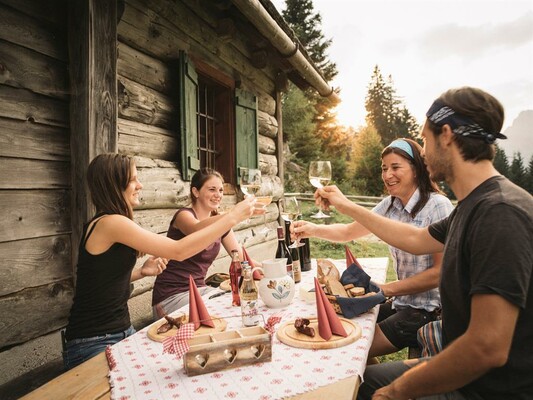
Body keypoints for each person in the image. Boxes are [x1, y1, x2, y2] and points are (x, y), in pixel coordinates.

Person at [313, 87, 533, 399]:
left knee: (370, 389)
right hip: (467, 372)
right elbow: (416, 239)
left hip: (487, 388)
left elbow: (487, 347)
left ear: (446, 135)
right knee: (363, 379)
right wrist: (347, 206)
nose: (424, 151)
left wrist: (397, 391)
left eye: (424, 139)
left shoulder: (500, 213)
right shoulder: (471, 205)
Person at [63, 154, 255, 370]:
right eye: (133, 179)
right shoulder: (110, 222)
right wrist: (233, 217)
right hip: (93, 341)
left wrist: (142, 273)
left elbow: (101, 279)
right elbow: (178, 251)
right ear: (114, 183)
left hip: (122, 332)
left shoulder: (112, 222)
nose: (140, 185)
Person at [293, 138, 454, 359]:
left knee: (351, 350)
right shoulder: (390, 204)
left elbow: (440, 273)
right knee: (345, 326)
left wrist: (386, 289)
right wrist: (312, 229)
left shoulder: (437, 205)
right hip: (401, 303)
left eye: (396, 167)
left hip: (427, 311)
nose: (388, 175)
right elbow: (349, 232)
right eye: (384, 168)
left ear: (416, 169)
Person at [152, 168, 259, 318]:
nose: (218, 195)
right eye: (212, 189)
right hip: (171, 297)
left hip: (199, 291)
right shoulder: (184, 216)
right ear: (196, 192)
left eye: (221, 190)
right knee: (225, 308)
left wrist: (267, 268)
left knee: (242, 300)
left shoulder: (222, 222)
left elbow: (242, 259)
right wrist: (233, 214)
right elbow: (196, 229)